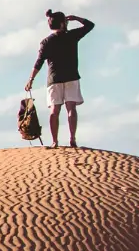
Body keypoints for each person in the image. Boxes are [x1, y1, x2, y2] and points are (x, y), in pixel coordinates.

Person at [25, 9, 95, 148]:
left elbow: (38, 63)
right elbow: (90, 25)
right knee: (71, 109)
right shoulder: (72, 35)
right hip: (71, 77)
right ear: (63, 24)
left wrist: (31, 80)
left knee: (54, 111)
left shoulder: (46, 42)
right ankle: (72, 139)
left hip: (54, 79)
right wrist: (76, 17)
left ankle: (55, 141)